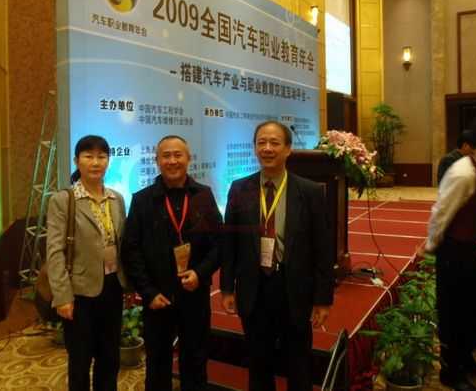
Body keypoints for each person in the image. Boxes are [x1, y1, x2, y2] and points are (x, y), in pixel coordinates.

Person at [220, 121, 334, 391]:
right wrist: (226, 288)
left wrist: (322, 298)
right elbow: (229, 243)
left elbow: (323, 248)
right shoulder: (239, 189)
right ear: (254, 148)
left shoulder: (310, 191)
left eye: (274, 142)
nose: (267, 148)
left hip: (294, 288)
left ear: (288, 149)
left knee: (298, 363)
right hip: (254, 287)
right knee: (258, 363)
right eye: (261, 142)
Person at [121, 135, 222, 391]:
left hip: (194, 293)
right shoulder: (142, 200)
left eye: (178, 155)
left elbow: (219, 244)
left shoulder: (204, 196)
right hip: (158, 297)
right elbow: (131, 250)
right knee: (157, 362)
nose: (172, 160)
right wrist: (148, 292)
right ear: (157, 161)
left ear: (188, 159)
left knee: (196, 359)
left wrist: (200, 274)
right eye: (166, 156)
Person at [47, 135, 128, 391]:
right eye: (88, 156)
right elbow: (55, 252)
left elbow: (121, 243)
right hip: (79, 291)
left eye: (101, 157)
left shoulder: (116, 199)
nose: (96, 162)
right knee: (80, 359)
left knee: (110, 356)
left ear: (108, 161)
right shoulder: (64, 199)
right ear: (76, 161)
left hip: (112, 286)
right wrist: (62, 296)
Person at [424, 111, 476, 391]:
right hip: (453, 253)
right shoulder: (462, 171)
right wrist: (432, 246)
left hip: (470, 251)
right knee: (454, 314)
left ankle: (464, 359)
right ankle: (451, 371)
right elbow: (441, 212)